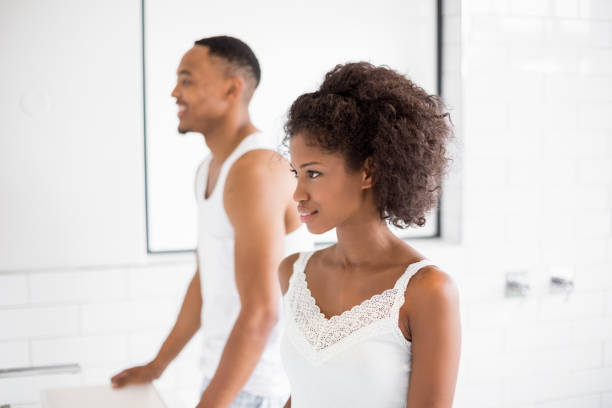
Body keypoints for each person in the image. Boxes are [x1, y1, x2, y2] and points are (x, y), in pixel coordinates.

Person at [111, 36, 312, 407]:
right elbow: (206, 279)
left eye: (187, 79)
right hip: (226, 378)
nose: (174, 92)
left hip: (260, 387)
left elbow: (262, 312)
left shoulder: (255, 169)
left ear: (232, 89)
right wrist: (157, 366)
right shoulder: (210, 168)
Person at [278, 62, 461, 407]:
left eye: (313, 174)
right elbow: (306, 391)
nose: (297, 194)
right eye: (295, 173)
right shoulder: (292, 273)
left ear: (368, 171)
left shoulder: (427, 291)